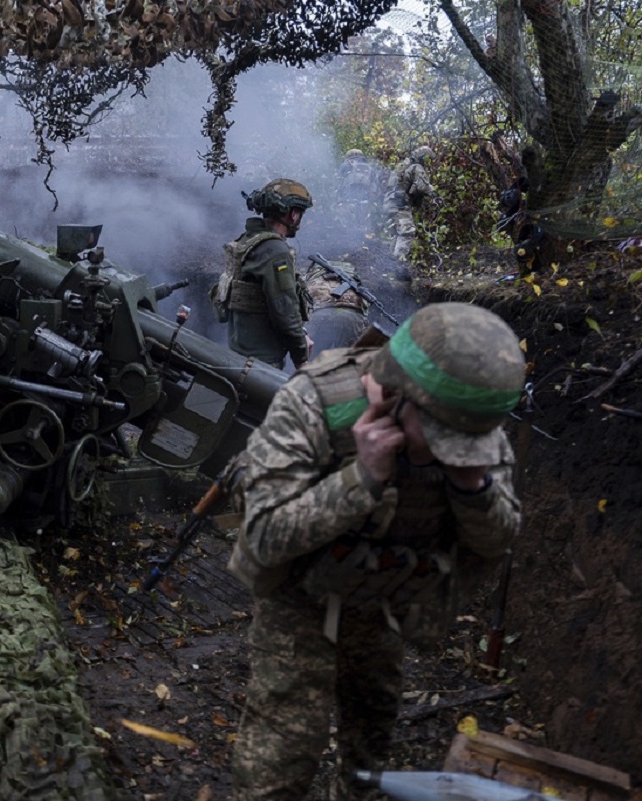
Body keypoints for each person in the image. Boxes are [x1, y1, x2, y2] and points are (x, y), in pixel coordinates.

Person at [225, 302, 526, 801]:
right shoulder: (313, 402)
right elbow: (264, 535)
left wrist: (473, 487)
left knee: (373, 728)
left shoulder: (469, 418)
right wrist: (361, 479)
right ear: (393, 395)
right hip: (299, 599)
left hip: (383, 600)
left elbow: (497, 541)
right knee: (282, 754)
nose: (451, 452)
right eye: (440, 439)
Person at [211, 178, 315, 370]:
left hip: (240, 351)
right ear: (293, 214)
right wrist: (301, 358)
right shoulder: (275, 251)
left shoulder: (249, 241)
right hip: (261, 362)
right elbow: (284, 309)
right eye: (301, 213)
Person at [383, 146, 438, 259]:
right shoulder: (417, 167)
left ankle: (388, 264)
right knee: (407, 232)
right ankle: (399, 263)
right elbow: (422, 186)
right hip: (400, 204)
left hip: (389, 202)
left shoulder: (401, 167)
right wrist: (433, 193)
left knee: (397, 234)